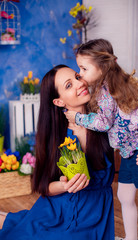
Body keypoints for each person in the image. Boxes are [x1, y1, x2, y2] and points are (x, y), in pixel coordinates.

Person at [0, 65, 115, 240]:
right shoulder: (57, 137)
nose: (79, 84)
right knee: (28, 231)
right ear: (59, 102)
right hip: (58, 207)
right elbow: (44, 187)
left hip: (92, 212)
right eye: (69, 85)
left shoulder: (106, 123)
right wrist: (65, 185)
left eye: (77, 77)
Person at [64, 39, 138, 239]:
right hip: (128, 151)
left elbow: (103, 123)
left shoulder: (106, 91)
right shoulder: (110, 86)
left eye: (83, 68)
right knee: (124, 196)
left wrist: (78, 118)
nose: (79, 73)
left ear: (102, 67)